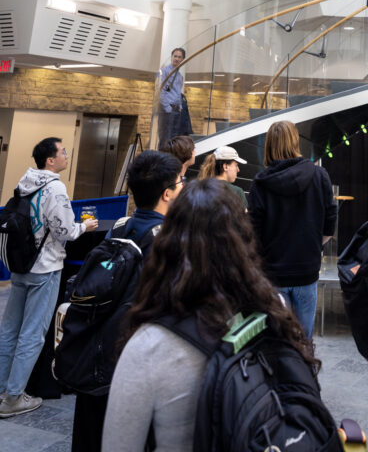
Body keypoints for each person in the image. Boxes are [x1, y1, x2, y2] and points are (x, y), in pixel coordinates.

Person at [101, 178, 317, 452]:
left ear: (168, 243)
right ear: (243, 240)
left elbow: (118, 445)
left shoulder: (149, 346)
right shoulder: (275, 308)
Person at [70, 150, 183, 451]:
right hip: (136, 362)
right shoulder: (171, 240)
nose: (184, 186)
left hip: (96, 352)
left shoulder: (119, 227)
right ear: (167, 193)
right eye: (180, 182)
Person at [0, 137, 98, 419]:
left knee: (9, 331)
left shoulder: (26, 181)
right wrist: (85, 226)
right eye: (62, 152)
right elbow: (64, 230)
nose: (66, 155)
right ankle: (13, 398)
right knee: (32, 334)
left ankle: (2, 390)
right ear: (50, 160)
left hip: (21, 265)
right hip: (45, 268)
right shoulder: (55, 187)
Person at [248, 121, 337, 338]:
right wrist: (313, 245)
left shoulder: (260, 184)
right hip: (307, 271)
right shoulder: (319, 176)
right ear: (295, 141)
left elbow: (254, 234)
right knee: (304, 341)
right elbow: (330, 224)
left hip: (273, 274)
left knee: (277, 341)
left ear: (268, 145)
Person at [197, 144, 248, 209]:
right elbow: (244, 218)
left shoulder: (200, 189)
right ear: (225, 166)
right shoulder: (237, 192)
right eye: (236, 165)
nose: (238, 170)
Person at [156, 46, 186, 148]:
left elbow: (178, 92)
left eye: (179, 57)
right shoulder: (163, 71)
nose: (176, 59)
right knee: (165, 139)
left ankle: (170, 162)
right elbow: (160, 91)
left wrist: (180, 106)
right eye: (175, 56)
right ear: (171, 57)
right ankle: (162, 162)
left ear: (183, 60)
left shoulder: (179, 75)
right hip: (167, 111)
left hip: (177, 110)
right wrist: (167, 108)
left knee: (173, 140)